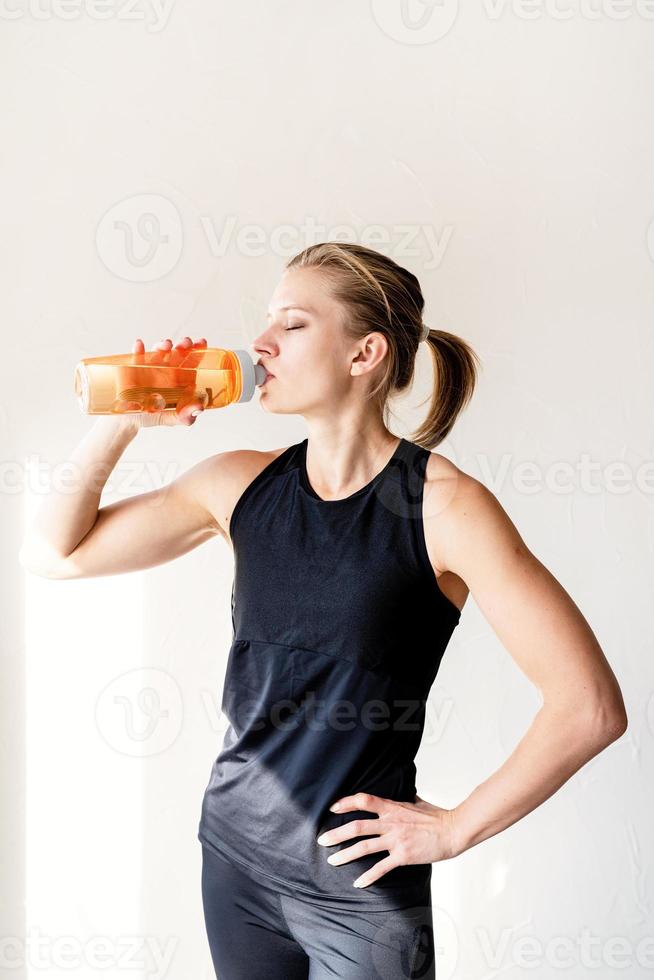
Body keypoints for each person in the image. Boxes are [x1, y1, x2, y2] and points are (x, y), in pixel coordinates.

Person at [20, 242, 628, 979]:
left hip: (360, 891)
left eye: (294, 324)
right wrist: (125, 418)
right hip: (235, 862)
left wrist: (457, 827)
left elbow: (589, 705)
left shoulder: (445, 506)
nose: (262, 342)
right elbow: (55, 554)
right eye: (267, 320)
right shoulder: (235, 485)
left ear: (364, 353)